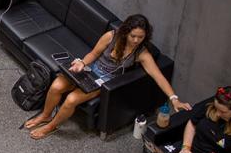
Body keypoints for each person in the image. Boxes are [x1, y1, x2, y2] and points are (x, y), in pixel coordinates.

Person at [24, 14, 191, 140]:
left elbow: (158, 76)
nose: (136, 40)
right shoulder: (111, 36)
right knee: (56, 86)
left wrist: (174, 98)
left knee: (71, 100)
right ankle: (45, 115)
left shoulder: (142, 53)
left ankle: (51, 126)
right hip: (90, 70)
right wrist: (82, 63)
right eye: (133, 36)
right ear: (126, 31)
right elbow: (94, 53)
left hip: (104, 81)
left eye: (140, 37)